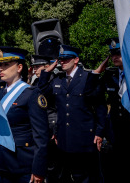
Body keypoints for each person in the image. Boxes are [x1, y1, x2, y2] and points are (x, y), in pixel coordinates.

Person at [39, 45, 107, 183]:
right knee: (71, 176)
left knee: (89, 177)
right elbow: (42, 91)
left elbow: (100, 107)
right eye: (60, 59)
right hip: (65, 138)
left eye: (66, 59)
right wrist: (46, 72)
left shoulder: (88, 77)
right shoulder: (58, 79)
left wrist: (100, 132)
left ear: (76, 60)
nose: (62, 62)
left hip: (85, 138)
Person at [0, 46, 49, 183]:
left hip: (22, 165)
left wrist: (38, 169)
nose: (0, 68)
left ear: (19, 68)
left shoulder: (31, 94)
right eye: (0, 64)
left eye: (6, 65)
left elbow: (41, 137)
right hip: (2, 162)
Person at [95, 37, 130, 182]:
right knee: (121, 171)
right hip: (117, 132)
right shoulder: (110, 74)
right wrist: (98, 71)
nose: (114, 57)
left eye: (118, 53)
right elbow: (92, 94)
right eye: (112, 54)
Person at [30, 54, 59, 183]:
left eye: (37, 66)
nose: (34, 69)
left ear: (48, 67)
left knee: (53, 163)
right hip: (40, 125)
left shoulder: (53, 80)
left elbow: (44, 95)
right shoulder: (36, 81)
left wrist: (45, 74)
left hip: (51, 124)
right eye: (33, 67)